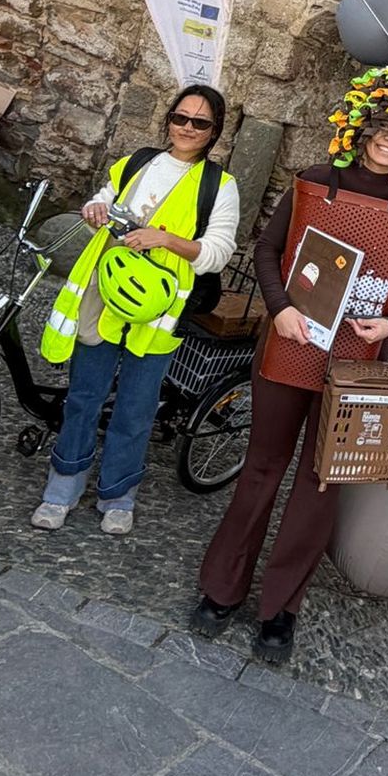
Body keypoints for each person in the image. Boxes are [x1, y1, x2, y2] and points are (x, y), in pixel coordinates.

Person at [192, 64, 388, 665]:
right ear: (362, 130)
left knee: (321, 480)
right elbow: (268, 248)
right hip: (292, 340)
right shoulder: (314, 182)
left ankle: (280, 607)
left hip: (357, 357)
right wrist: (279, 308)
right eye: (384, 127)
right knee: (261, 469)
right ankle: (223, 587)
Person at [33, 86, 238, 535]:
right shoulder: (137, 162)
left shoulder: (219, 187)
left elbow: (218, 253)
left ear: (213, 132)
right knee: (85, 394)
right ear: (168, 120)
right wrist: (95, 210)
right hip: (107, 291)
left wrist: (165, 239)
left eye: (199, 123)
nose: (187, 127)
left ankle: (118, 494)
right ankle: (62, 487)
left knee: (136, 406)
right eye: (180, 117)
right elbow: (103, 197)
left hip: (160, 309)